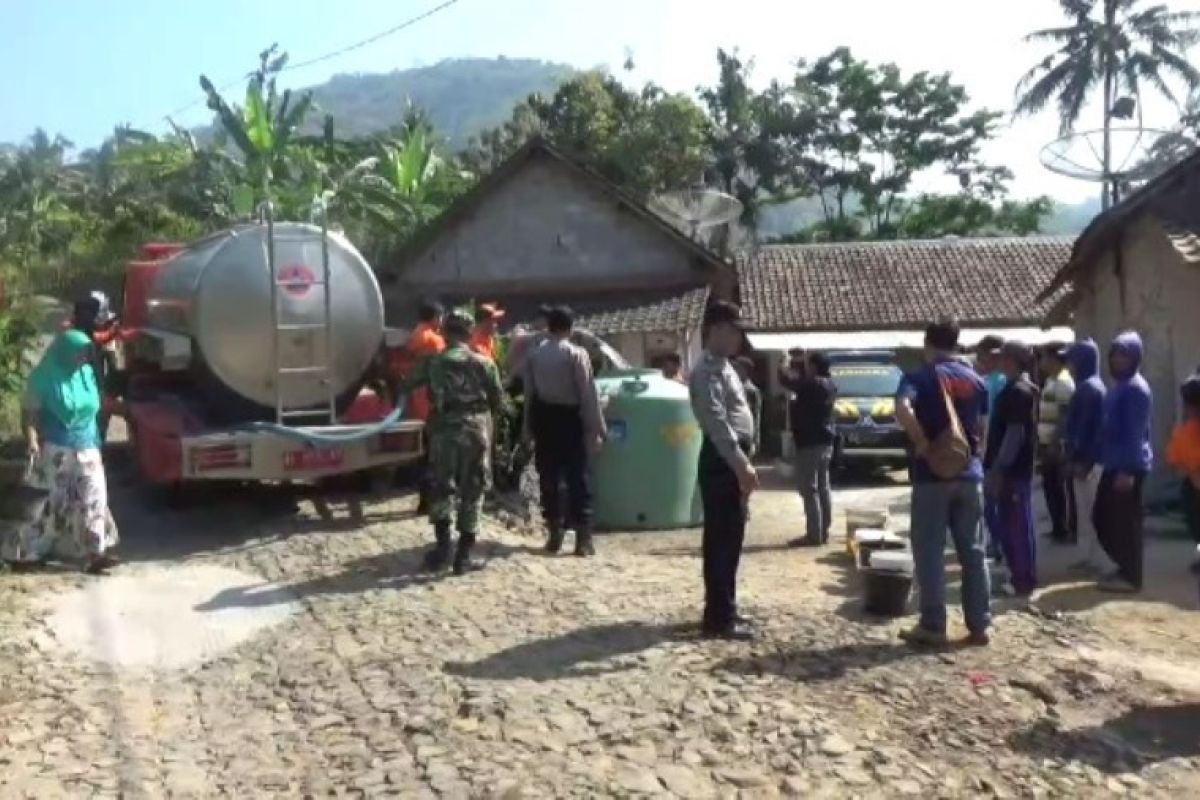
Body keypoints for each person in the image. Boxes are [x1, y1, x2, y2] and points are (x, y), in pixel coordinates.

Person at [895, 319, 991, 647]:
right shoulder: (976, 381)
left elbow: (902, 408)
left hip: (931, 477)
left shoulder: (920, 377)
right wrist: (975, 461)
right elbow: (981, 429)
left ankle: (934, 625)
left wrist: (923, 445)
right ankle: (979, 625)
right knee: (974, 551)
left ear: (927, 343)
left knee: (930, 550)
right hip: (970, 474)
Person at [3, 330, 120, 574]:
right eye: (79, 352)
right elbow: (31, 414)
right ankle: (27, 553)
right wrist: (33, 440)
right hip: (58, 448)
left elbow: (95, 406)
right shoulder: (42, 378)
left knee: (94, 498)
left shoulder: (86, 374)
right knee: (51, 504)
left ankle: (94, 552)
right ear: (64, 351)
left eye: (85, 352)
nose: (82, 357)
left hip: (88, 447)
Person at [401, 310, 504, 575]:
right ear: (469, 333)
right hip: (476, 430)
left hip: (443, 431)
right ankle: (463, 556)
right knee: (473, 489)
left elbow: (408, 384)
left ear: (445, 333)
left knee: (442, 488)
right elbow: (498, 400)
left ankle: (443, 549)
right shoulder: (484, 363)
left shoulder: (433, 363)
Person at [689, 301, 758, 641]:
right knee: (721, 540)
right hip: (722, 459)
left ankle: (725, 607)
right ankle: (718, 617)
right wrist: (741, 464)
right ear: (715, 330)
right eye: (733, 330)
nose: (737, 338)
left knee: (731, 540)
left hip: (732, 457)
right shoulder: (705, 371)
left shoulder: (725, 366)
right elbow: (717, 422)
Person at [523, 305, 606, 556]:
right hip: (571, 420)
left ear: (548, 327)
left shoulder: (535, 355)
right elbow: (587, 393)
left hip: (544, 419)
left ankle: (554, 533)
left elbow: (529, 394)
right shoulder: (576, 354)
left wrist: (526, 428)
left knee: (548, 476)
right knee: (578, 478)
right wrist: (597, 428)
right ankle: (583, 539)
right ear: (570, 328)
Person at [1094, 331, 1153, 594]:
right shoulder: (1121, 386)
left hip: (1127, 466)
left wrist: (1128, 470)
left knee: (1123, 523)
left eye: (1123, 356)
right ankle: (1123, 566)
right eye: (1115, 355)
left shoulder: (1135, 389)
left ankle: (1131, 577)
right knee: (1104, 518)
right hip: (1114, 462)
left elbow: (1135, 432)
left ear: (1135, 358)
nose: (1118, 360)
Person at [985, 342, 1040, 597]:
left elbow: (1014, 436)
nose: (1001, 362)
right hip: (1011, 470)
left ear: (1015, 361)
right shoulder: (1014, 389)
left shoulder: (1019, 392)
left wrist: (999, 468)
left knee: (1017, 526)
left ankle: (1023, 580)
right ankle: (1018, 575)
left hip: (1013, 471)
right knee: (1011, 524)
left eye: (1005, 358)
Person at [779, 350, 836, 547]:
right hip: (826, 440)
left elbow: (787, 380)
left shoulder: (812, 384)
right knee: (823, 487)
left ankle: (814, 534)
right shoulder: (831, 384)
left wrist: (784, 361)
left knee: (809, 488)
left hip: (809, 442)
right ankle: (823, 530)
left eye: (807, 364)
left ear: (813, 366)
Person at [1064, 338, 1110, 574]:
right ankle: (1089, 558)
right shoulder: (1093, 386)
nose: (1068, 366)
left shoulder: (1088, 389)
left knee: (1090, 512)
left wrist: (1079, 460)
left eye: (1071, 360)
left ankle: (1098, 560)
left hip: (1089, 462)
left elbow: (1083, 430)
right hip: (1089, 460)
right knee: (1085, 513)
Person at [1038, 344, 1076, 544]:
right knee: (1050, 486)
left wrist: (1055, 441)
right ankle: (1057, 527)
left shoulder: (1063, 382)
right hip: (1047, 443)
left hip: (1055, 445)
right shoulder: (1051, 381)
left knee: (1059, 488)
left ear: (1053, 359)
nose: (1041, 362)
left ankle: (1064, 528)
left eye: (1044, 357)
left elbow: (1064, 415)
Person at [975, 335, 1007, 563]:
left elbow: (984, 422)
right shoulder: (1009, 381)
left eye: (981, 356)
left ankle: (998, 545)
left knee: (992, 502)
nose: (979, 361)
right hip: (1003, 448)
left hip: (992, 449)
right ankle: (1000, 545)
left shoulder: (987, 384)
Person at [1167, 371, 1200, 572]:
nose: (1187, 408)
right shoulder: (1185, 430)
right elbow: (1175, 459)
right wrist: (1191, 472)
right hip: (1192, 480)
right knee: (1194, 519)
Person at [733, 356, 762, 454]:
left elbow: (756, 416)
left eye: (737, 367)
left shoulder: (751, 391)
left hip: (745, 435)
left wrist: (755, 440)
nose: (734, 370)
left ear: (744, 370)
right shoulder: (733, 387)